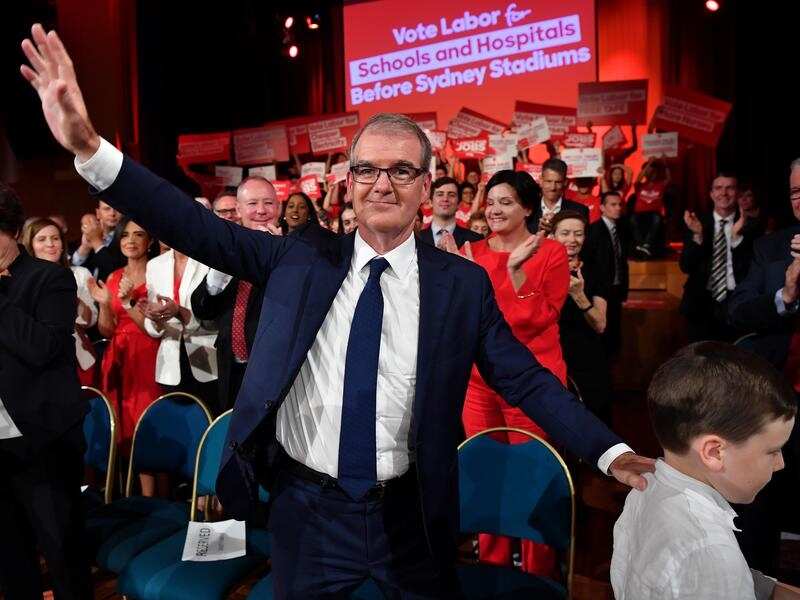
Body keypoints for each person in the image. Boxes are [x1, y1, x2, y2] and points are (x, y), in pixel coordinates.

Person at [21, 28, 653, 596]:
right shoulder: (296, 259)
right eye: (368, 169)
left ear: (425, 186)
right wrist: (90, 148)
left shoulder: (460, 285)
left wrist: (609, 451)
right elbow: (190, 223)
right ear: (349, 182)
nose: (383, 183)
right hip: (307, 513)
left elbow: (523, 378)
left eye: (401, 170)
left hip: (413, 516)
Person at [611, 341, 800, 600]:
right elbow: (711, 570)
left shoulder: (647, 486)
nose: (781, 463)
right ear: (714, 452)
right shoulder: (710, 551)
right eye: (772, 451)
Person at [458, 169, 569, 576]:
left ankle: (538, 573)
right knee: (487, 475)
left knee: (531, 477)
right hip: (478, 385)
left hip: (532, 384)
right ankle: (492, 568)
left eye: (506, 202)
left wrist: (516, 273)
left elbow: (538, 320)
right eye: (491, 202)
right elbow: (463, 320)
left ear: (527, 208)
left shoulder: (551, 253)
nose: (494, 210)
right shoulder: (470, 253)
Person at [0, 183, 92, 599]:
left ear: (8, 229)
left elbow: (42, 348)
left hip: (44, 442)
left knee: (63, 555)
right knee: (11, 558)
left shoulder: (49, 278)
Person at [728, 159, 800, 575]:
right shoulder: (772, 247)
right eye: (796, 192)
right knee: (761, 512)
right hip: (776, 404)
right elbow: (737, 310)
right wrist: (785, 297)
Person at [190, 176, 280, 414]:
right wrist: (221, 268)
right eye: (252, 204)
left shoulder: (295, 253)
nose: (261, 210)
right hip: (230, 372)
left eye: (268, 203)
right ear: (238, 210)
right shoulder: (226, 251)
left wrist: (279, 257)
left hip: (275, 374)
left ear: (278, 206)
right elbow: (202, 309)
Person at [89, 219, 162, 468]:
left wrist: (129, 301)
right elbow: (107, 330)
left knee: (150, 422)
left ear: (149, 242)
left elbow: (153, 329)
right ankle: (130, 486)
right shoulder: (113, 276)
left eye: (138, 235)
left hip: (148, 354)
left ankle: (160, 489)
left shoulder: (158, 274)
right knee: (123, 423)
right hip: (119, 356)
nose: (130, 240)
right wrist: (103, 304)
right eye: (125, 235)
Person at [551, 210, 613, 423]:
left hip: (586, 358)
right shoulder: (541, 270)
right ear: (553, 236)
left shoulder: (596, 271)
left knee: (591, 420)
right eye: (565, 233)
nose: (572, 239)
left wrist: (579, 296)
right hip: (550, 356)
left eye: (578, 234)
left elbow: (600, 324)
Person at [22, 217, 98, 386]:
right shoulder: (22, 281)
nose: (50, 244)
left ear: (62, 244)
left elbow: (90, 320)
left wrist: (68, 293)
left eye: (55, 238)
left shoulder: (80, 274)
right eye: (42, 239)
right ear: (31, 246)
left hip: (78, 358)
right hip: (37, 364)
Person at [680, 173, 755, 342]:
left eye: (730, 188)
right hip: (700, 304)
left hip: (736, 303)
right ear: (711, 194)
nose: (724, 193)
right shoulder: (697, 222)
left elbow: (751, 270)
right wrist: (698, 236)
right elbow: (685, 266)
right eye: (718, 188)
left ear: (737, 193)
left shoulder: (750, 225)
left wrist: (736, 239)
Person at [142, 245, 218, 408]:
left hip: (207, 359)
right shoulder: (154, 265)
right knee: (176, 420)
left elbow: (216, 317)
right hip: (170, 365)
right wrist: (155, 319)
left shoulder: (209, 260)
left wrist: (179, 312)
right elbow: (152, 319)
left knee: (210, 415)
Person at [584, 191, 630, 355]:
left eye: (620, 205)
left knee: (614, 331)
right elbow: (589, 263)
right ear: (602, 207)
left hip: (617, 288)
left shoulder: (622, 229)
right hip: (599, 291)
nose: (618, 208)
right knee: (601, 332)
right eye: (613, 205)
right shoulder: (593, 231)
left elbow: (622, 261)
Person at [419, 176, 483, 250]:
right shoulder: (416, 239)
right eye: (440, 194)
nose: (445, 199)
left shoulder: (475, 240)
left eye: (451, 195)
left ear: (459, 203)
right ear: (431, 202)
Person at [528, 158, 589, 232]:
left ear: (565, 182)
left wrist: (555, 230)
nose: (553, 187)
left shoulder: (579, 211)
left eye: (558, 182)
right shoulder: (528, 209)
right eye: (548, 181)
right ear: (541, 180)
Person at [72, 199, 125, 280]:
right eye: (107, 209)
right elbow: (73, 270)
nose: (112, 213)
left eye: (117, 209)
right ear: (98, 213)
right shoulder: (87, 237)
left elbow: (115, 272)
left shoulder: (127, 238)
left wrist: (96, 241)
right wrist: (84, 248)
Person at [629, 157, 670, 258]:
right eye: (649, 172)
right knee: (632, 219)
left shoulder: (660, 185)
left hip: (654, 212)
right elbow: (639, 178)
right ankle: (640, 243)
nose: (651, 174)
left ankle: (646, 244)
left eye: (653, 172)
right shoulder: (640, 185)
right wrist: (648, 164)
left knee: (656, 219)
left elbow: (668, 179)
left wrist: (665, 165)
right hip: (639, 212)